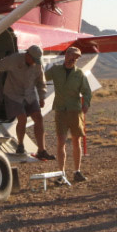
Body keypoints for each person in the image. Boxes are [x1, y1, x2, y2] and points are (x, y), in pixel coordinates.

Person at [0, 44, 53, 160]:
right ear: (27, 55)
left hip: (29, 94)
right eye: (33, 59)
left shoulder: (37, 64)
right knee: (22, 118)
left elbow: (41, 82)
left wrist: (42, 97)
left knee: (38, 118)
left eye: (37, 60)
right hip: (13, 94)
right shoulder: (14, 59)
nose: (35, 62)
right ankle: (20, 145)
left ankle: (42, 150)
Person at [45, 46, 92, 185]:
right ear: (65, 56)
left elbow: (87, 91)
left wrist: (86, 103)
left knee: (76, 141)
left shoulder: (80, 74)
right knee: (61, 141)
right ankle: (61, 173)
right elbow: (40, 77)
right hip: (60, 110)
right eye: (70, 56)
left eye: (75, 58)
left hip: (75, 111)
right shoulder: (55, 70)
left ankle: (77, 171)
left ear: (76, 60)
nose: (72, 59)